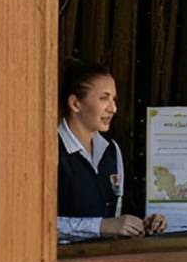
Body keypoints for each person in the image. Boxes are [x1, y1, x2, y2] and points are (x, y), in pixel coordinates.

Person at [56, 59, 166, 243]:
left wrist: (142, 224)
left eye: (113, 99)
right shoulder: (50, 149)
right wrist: (101, 227)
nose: (113, 108)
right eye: (104, 98)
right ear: (75, 104)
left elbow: (117, 212)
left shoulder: (111, 150)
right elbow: (35, 223)